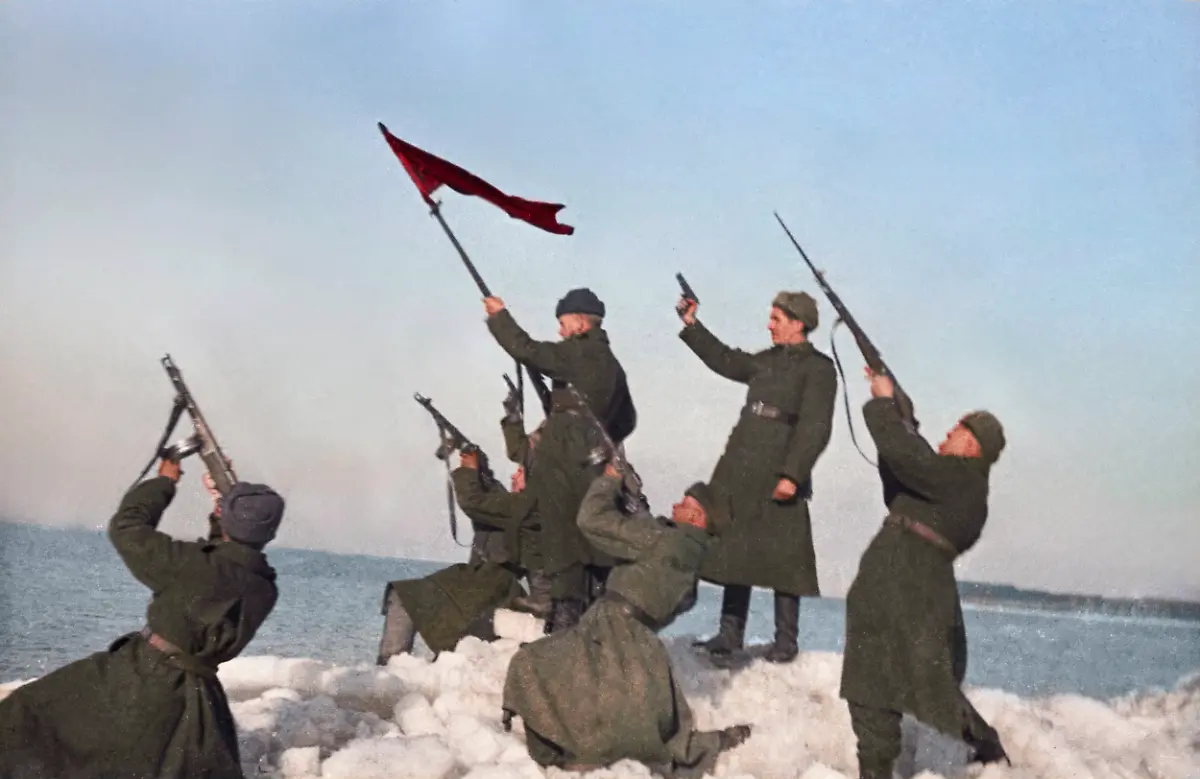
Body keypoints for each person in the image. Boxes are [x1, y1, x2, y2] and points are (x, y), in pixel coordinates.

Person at [0, 458, 286, 779]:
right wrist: (224, 513)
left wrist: (165, 481)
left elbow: (127, 527)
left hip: (142, 674)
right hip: (200, 698)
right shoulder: (265, 587)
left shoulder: (192, 566)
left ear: (228, 519)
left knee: (26, 714)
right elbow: (229, 561)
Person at [502, 466, 752, 776]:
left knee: (529, 664)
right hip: (638, 645)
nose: (674, 507)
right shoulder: (692, 559)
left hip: (608, 630)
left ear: (698, 519)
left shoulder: (663, 538)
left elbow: (590, 520)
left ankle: (558, 754)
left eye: (684, 504)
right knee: (630, 721)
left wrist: (609, 480)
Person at [840, 367, 1011, 778]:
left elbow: (908, 458)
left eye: (956, 429)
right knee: (869, 685)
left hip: (914, 590)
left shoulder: (965, 482)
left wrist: (885, 405)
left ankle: (987, 747)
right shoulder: (945, 479)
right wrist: (902, 416)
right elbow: (899, 477)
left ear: (972, 444)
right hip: (886, 581)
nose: (948, 432)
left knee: (926, 685)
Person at [678, 291, 838, 662]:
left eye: (776, 319)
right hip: (741, 459)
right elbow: (725, 360)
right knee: (734, 547)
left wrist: (793, 475)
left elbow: (815, 427)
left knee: (786, 554)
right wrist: (692, 325)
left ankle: (786, 642)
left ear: (798, 323)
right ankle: (729, 635)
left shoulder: (819, 368)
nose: (769, 325)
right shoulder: (765, 361)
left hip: (779, 464)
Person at [483, 288, 637, 632]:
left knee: (562, 541)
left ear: (581, 323)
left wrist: (499, 316)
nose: (560, 332)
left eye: (564, 324)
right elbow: (626, 420)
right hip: (595, 466)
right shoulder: (613, 365)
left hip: (563, 465)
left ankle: (564, 629)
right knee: (589, 541)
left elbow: (526, 349)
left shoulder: (577, 353)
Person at [377, 448, 540, 662]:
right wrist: (480, 467)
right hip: (479, 586)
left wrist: (470, 469)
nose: (513, 475)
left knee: (404, 596)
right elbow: (491, 496)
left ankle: (389, 670)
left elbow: (474, 502)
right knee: (403, 596)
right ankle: (391, 668)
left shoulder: (529, 509)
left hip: (491, 591)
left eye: (520, 472)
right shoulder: (518, 506)